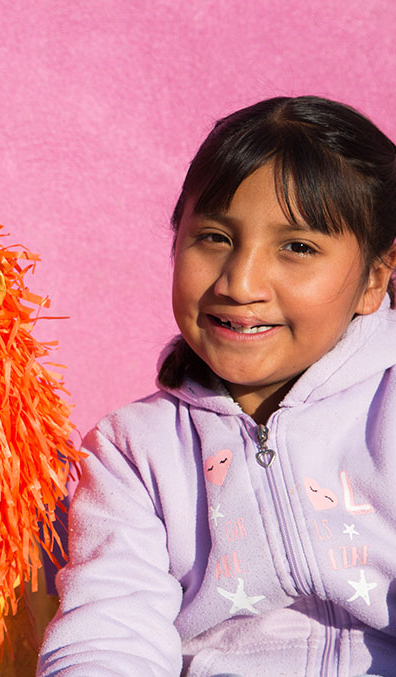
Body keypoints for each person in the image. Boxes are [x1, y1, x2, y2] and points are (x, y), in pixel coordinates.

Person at [37, 96, 396, 675]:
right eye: (215, 238)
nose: (241, 282)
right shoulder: (132, 451)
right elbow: (111, 628)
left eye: (298, 247)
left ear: (374, 278)